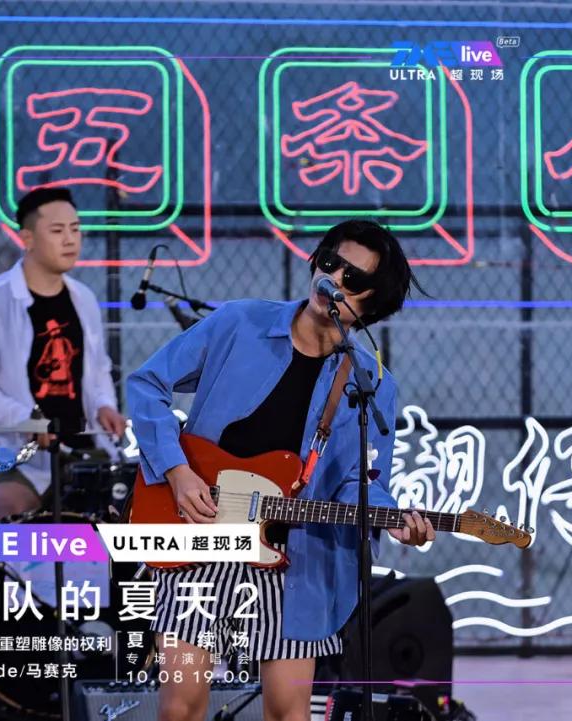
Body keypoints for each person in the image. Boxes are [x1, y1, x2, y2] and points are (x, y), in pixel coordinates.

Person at [127, 219, 436, 721]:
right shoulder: (240, 322)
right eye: (330, 262)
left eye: (353, 278)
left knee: (289, 713)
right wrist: (176, 470)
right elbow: (146, 384)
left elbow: (360, 481)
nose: (333, 278)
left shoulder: (372, 383)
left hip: (293, 555)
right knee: (180, 707)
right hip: (197, 531)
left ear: (372, 303)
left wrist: (394, 518)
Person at [0, 187, 126, 521]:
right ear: (27, 238)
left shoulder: (84, 299)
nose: (70, 240)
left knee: (123, 508)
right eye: (58, 231)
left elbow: (98, 370)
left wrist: (105, 405)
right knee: (7, 509)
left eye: (75, 229)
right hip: (13, 455)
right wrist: (30, 420)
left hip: (82, 450)